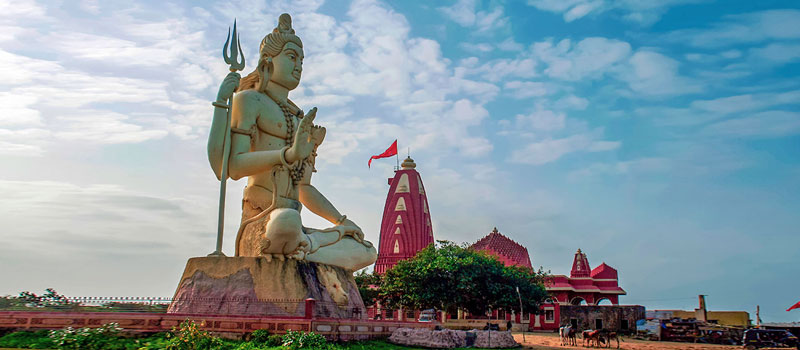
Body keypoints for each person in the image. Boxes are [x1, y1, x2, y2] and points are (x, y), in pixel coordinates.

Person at [208, 13, 376, 271]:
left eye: (301, 60)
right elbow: (232, 168)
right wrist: (288, 154)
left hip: (293, 224)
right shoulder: (250, 100)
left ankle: (303, 247)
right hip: (262, 222)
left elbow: (303, 188)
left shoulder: (300, 119)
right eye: (291, 57)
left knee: (366, 250)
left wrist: (341, 221)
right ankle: (306, 247)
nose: (298, 66)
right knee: (285, 222)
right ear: (268, 60)